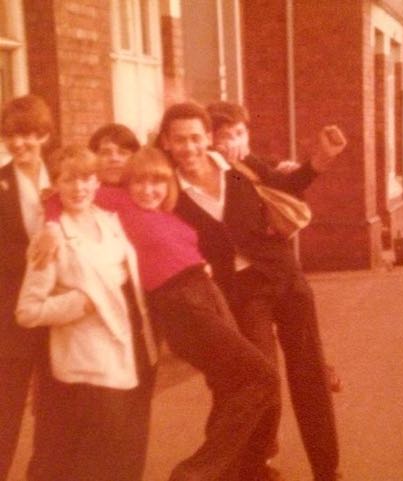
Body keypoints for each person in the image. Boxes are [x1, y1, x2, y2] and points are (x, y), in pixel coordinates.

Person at [35, 146, 280, 481]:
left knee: (234, 385)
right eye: (140, 182)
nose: (148, 190)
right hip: (179, 301)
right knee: (261, 376)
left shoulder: (171, 213)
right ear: (127, 183)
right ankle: (197, 473)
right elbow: (55, 196)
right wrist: (50, 226)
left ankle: (228, 470)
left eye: (158, 182)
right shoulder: (116, 202)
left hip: (206, 292)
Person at [155, 100, 346, 481]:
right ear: (166, 143)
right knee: (262, 379)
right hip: (241, 293)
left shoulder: (240, 165)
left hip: (285, 278)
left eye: (196, 137)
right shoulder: (168, 190)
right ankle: (256, 465)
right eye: (180, 140)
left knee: (309, 374)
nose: (190, 147)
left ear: (208, 137)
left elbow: (288, 183)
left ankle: (328, 470)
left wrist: (319, 161)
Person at [15, 145, 158, 481]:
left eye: (86, 178)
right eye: (69, 179)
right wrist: (81, 303)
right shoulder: (50, 236)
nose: (78, 188)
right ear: (58, 184)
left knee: (122, 460)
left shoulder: (111, 221)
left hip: (128, 356)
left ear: (97, 183)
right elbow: (27, 311)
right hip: (85, 368)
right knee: (91, 465)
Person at [0, 94, 53, 481]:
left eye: (28, 135)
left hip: (58, 308)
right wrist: (38, 255)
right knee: (7, 403)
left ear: (45, 135)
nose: (19, 144)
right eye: (11, 136)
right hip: (11, 309)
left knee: (56, 403)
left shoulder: (61, 174)